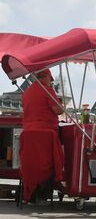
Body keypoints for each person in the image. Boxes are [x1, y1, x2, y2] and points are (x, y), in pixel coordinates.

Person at [20, 69, 64, 202]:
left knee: (33, 161)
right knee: (52, 158)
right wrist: (60, 102)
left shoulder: (26, 92)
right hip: (45, 134)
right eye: (50, 79)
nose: (50, 83)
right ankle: (49, 187)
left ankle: (33, 191)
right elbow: (58, 110)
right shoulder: (47, 90)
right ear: (45, 77)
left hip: (28, 134)